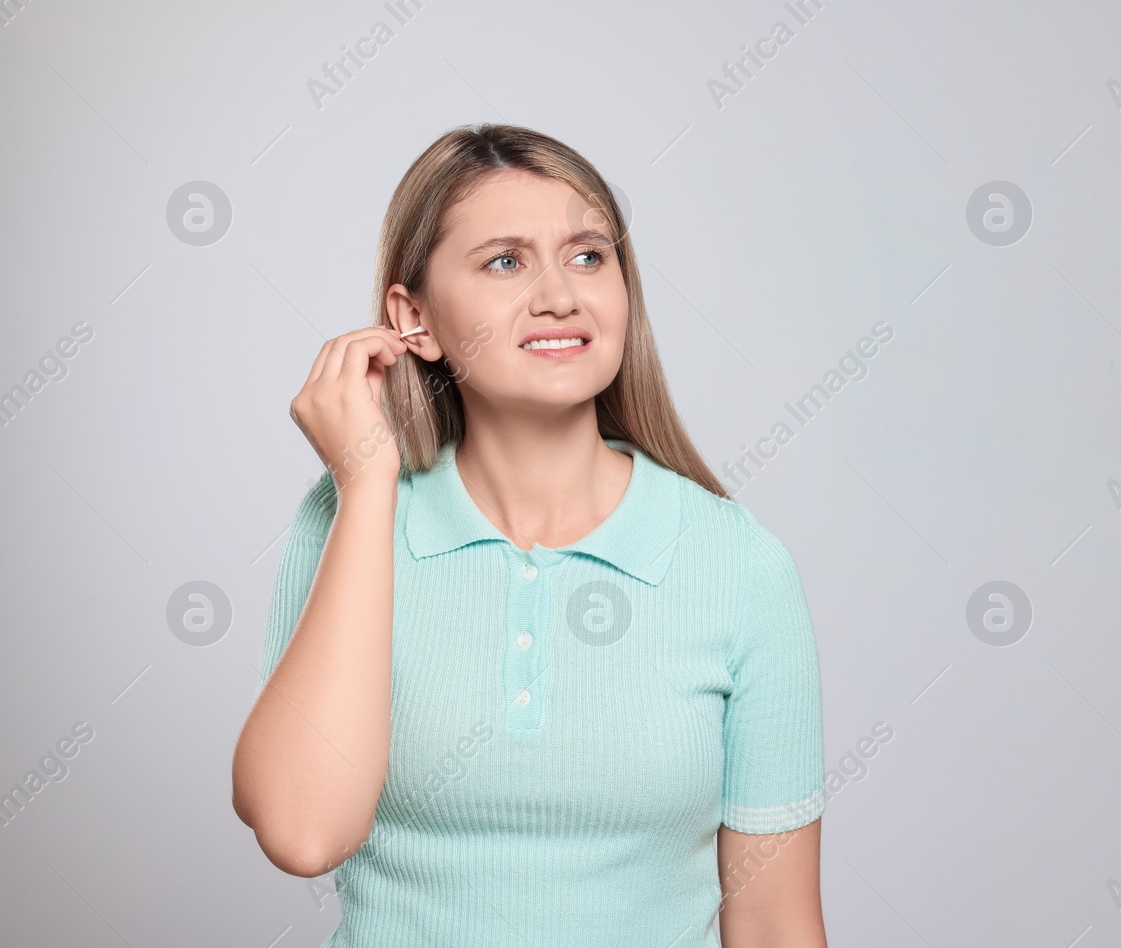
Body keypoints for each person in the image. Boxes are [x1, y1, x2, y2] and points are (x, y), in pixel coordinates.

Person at [231, 123, 828, 947]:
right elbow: (303, 833)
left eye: (588, 256)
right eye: (505, 261)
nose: (560, 294)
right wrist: (366, 483)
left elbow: (774, 924)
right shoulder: (340, 522)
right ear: (415, 319)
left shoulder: (738, 564)